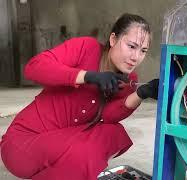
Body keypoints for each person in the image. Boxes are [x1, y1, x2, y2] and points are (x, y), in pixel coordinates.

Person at [0, 13, 159, 180]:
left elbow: (108, 116)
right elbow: (34, 67)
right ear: (113, 40)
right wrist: (87, 76)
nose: (135, 57)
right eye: (131, 46)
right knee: (87, 152)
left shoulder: (129, 80)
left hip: (62, 143)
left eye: (143, 51)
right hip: (22, 145)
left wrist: (140, 94)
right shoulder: (86, 47)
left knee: (112, 134)